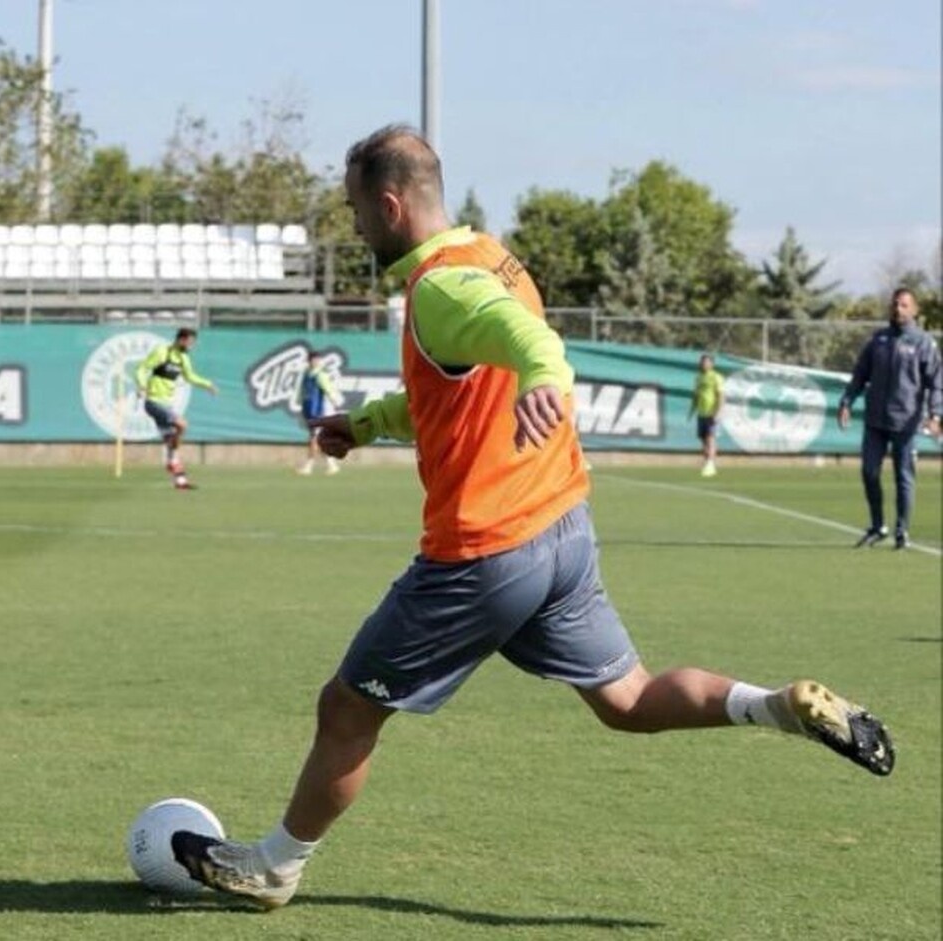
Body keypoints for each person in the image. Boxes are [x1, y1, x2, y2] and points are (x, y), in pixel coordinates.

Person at [172, 125, 895, 910]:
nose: (353, 225)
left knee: (347, 709)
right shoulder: (492, 256)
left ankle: (275, 866)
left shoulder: (441, 288)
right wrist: (369, 422)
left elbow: (533, 343)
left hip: (484, 553)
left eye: (354, 210)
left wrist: (545, 376)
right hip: (562, 532)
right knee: (628, 700)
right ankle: (776, 705)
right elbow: (452, 392)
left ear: (390, 205)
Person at [838, 287, 942, 550]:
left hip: (905, 422)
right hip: (875, 421)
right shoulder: (878, 340)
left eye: (904, 305)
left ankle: (901, 530)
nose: (898, 309)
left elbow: (936, 383)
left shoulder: (923, 343)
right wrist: (847, 401)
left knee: (903, 477)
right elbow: (860, 374)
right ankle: (878, 526)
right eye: (895, 304)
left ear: (914, 310)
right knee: (869, 472)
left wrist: (935, 414)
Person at [134, 327, 218, 490]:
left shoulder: (183, 358)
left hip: (167, 404)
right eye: (190, 342)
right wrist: (142, 386)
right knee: (182, 425)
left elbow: (190, 377)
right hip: (153, 402)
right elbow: (142, 368)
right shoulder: (162, 352)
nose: (191, 346)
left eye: (193, 343)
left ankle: (180, 481)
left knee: (171, 441)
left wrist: (208, 384)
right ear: (181, 339)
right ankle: (172, 460)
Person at [296, 351, 345, 476]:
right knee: (317, 439)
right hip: (310, 411)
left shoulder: (320, 375)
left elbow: (329, 390)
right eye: (314, 360)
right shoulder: (307, 375)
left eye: (318, 359)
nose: (317, 362)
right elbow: (302, 392)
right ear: (309, 361)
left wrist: (335, 401)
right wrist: (300, 405)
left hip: (319, 412)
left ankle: (308, 467)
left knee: (314, 438)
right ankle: (332, 465)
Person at [687, 352, 724, 477]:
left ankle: (710, 464)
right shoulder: (698, 377)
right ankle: (708, 463)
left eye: (706, 362)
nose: (703, 364)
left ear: (712, 364)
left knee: (710, 438)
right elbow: (696, 395)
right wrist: (692, 410)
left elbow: (721, 396)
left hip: (712, 413)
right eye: (702, 361)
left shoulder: (716, 377)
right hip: (701, 413)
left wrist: (717, 412)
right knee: (703, 440)